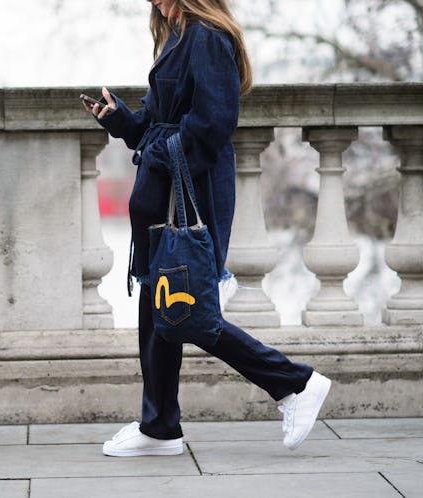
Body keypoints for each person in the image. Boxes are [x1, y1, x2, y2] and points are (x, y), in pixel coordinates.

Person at [84, 0, 331, 457]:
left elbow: (212, 124)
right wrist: (120, 121)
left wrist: (157, 156)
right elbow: (155, 128)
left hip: (190, 193)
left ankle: (296, 383)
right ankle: (159, 427)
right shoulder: (175, 35)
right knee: (159, 308)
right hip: (165, 193)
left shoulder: (206, 36)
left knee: (185, 307)